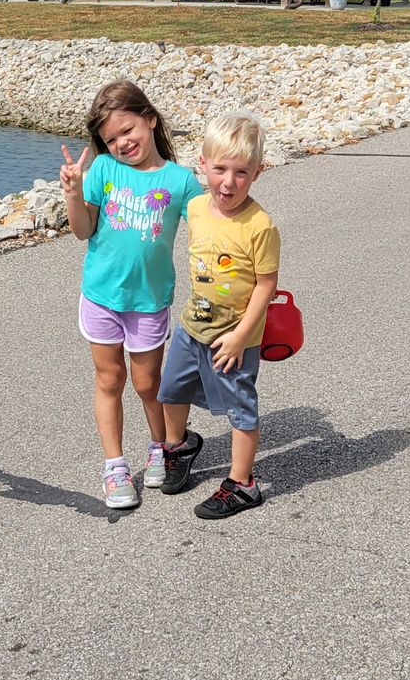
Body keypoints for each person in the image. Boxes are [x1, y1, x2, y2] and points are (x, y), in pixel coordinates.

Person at [59, 80, 207, 510]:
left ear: (150, 120)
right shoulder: (103, 170)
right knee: (110, 379)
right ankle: (115, 466)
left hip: (149, 301)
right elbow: (83, 230)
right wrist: (73, 192)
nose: (122, 143)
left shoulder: (179, 181)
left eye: (128, 130)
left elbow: (208, 228)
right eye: (111, 138)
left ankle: (162, 447)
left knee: (148, 383)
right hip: (102, 295)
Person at [156, 111, 281, 519]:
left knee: (240, 409)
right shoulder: (194, 207)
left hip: (234, 338)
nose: (228, 182)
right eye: (220, 169)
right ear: (203, 165)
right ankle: (180, 446)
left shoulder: (260, 226)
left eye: (241, 172)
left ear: (258, 173)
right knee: (170, 390)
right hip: (192, 326)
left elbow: (266, 285)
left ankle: (243, 484)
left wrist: (242, 336)